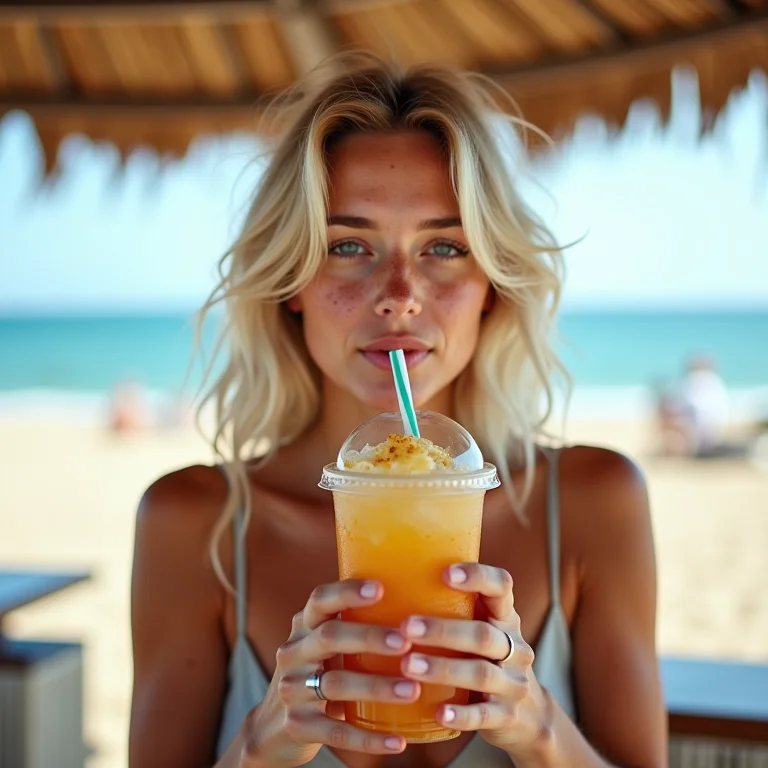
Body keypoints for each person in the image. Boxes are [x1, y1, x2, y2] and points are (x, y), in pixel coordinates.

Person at [129, 53, 666, 768]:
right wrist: (257, 750)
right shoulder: (193, 522)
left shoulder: (594, 503)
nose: (400, 296)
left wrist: (542, 731)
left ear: (492, 284)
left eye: (444, 246)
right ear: (290, 281)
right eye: (349, 245)